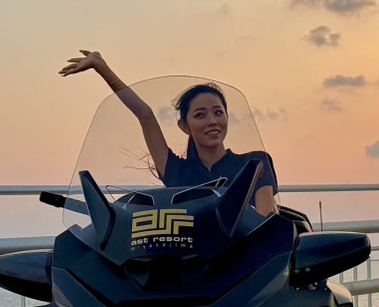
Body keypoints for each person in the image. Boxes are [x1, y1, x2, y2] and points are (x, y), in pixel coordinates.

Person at [59, 50, 278, 216]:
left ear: (227, 118)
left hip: (243, 263)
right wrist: (102, 67)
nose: (212, 121)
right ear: (185, 126)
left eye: (218, 113)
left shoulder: (255, 163)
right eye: (200, 115)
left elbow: (266, 219)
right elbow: (145, 115)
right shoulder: (177, 171)